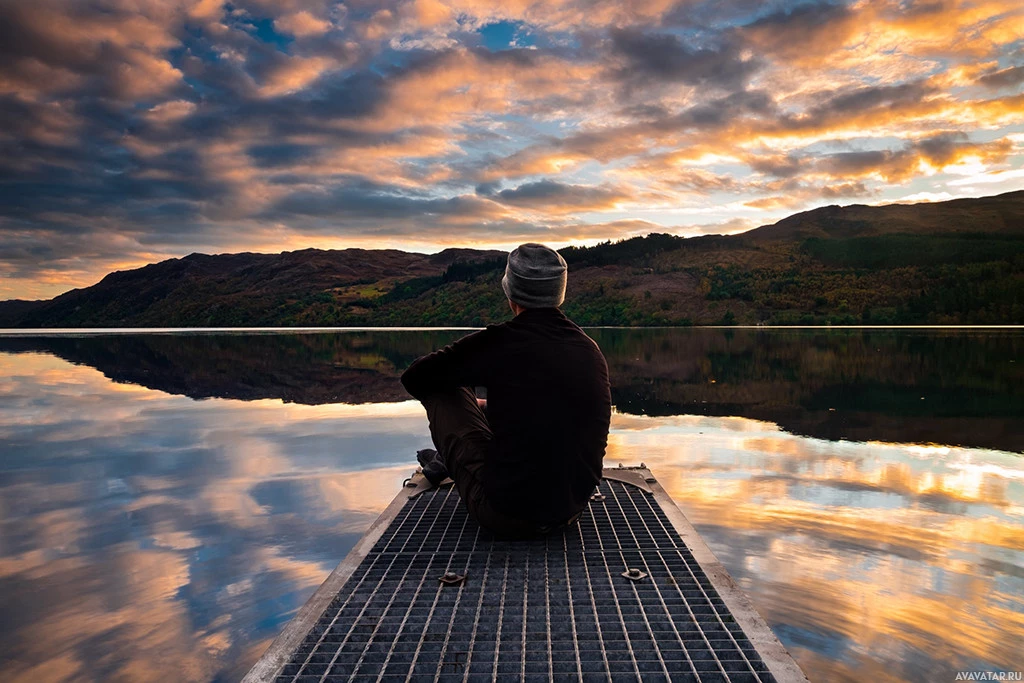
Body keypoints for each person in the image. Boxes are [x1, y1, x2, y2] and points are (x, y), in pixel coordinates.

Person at [400, 243, 612, 539]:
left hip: (506, 515)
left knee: (441, 389)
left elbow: (415, 378)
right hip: (570, 511)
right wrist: (489, 404)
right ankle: (448, 460)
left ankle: (447, 462)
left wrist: (472, 391)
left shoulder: (498, 343)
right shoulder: (589, 349)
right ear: (559, 295)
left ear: (510, 293)